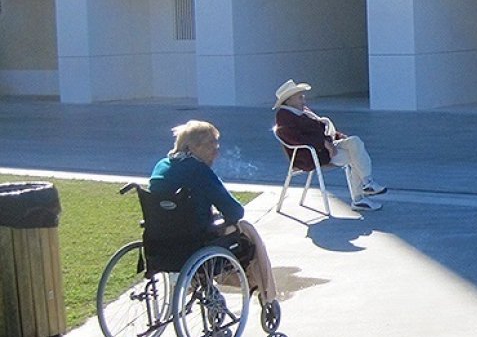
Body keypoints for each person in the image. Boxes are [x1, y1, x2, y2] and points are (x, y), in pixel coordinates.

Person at [148, 120, 278, 309]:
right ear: (191, 147)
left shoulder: (161, 166)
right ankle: (267, 295)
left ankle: (204, 284)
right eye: (211, 145)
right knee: (247, 230)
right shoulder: (199, 171)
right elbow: (235, 211)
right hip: (195, 240)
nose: (216, 151)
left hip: (161, 239)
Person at [273, 79, 386, 211]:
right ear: (289, 100)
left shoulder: (304, 111)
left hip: (325, 148)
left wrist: (338, 137)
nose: (303, 99)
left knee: (354, 142)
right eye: (300, 97)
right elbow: (294, 138)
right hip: (312, 154)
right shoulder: (284, 116)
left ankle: (367, 183)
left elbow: (320, 129)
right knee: (355, 158)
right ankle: (360, 197)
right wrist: (323, 143)